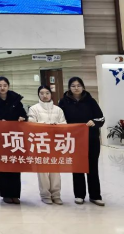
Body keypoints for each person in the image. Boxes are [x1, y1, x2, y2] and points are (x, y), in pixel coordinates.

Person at [58, 77, 105, 206]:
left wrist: (94, 122)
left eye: (79, 85)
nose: (76, 88)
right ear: (69, 88)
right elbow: (59, 118)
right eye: (73, 86)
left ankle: (95, 196)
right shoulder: (63, 102)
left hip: (91, 139)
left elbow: (101, 118)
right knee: (77, 167)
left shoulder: (91, 101)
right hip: (73, 140)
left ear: (83, 87)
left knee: (92, 167)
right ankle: (79, 195)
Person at [0, 76, 26, 204]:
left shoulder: (15, 99)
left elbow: (23, 114)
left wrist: (22, 118)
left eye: (4, 85)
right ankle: (5, 194)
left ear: (8, 86)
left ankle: (15, 194)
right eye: (0, 85)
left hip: (14, 136)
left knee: (15, 163)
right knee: (2, 164)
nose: (2, 88)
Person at [28, 85, 66, 205]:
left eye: (47, 93)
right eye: (42, 93)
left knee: (55, 170)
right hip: (41, 143)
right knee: (43, 171)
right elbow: (31, 124)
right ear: (38, 95)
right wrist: (45, 124)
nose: (44, 95)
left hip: (55, 143)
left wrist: (57, 126)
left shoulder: (58, 109)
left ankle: (56, 194)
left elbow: (64, 124)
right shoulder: (33, 109)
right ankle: (45, 195)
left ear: (51, 94)